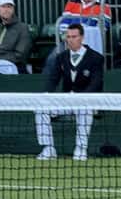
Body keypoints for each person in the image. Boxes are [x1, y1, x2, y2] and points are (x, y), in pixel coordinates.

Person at [35, 24, 104, 162]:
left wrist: (82, 97)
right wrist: (45, 96)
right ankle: (48, 149)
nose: (70, 40)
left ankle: (80, 149)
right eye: (68, 37)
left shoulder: (96, 58)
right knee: (41, 110)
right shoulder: (61, 57)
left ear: (82, 38)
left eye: (74, 37)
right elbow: (53, 80)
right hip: (66, 101)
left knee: (85, 110)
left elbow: (96, 83)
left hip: (86, 101)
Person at [0, 0, 33, 73]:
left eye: (9, 7)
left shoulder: (23, 28)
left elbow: (20, 54)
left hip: (15, 67)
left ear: (13, 9)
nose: (6, 10)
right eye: (3, 7)